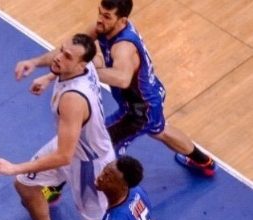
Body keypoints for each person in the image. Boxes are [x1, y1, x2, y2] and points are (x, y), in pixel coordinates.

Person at [15, 0, 216, 177]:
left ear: (122, 20)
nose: (100, 20)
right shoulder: (104, 27)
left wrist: (84, 71)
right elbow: (70, 54)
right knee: (159, 131)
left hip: (137, 111)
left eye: (107, 16)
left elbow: (122, 79)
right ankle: (204, 161)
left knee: (90, 146)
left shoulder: (124, 46)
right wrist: (35, 63)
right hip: (151, 95)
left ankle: (70, 190)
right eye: (100, 13)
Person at [0, 34, 115, 220]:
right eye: (61, 50)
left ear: (81, 64)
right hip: (70, 145)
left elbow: (63, 158)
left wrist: (15, 167)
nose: (58, 58)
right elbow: (71, 61)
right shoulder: (82, 67)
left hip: (89, 164)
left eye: (67, 56)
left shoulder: (72, 99)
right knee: (25, 185)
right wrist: (46, 73)